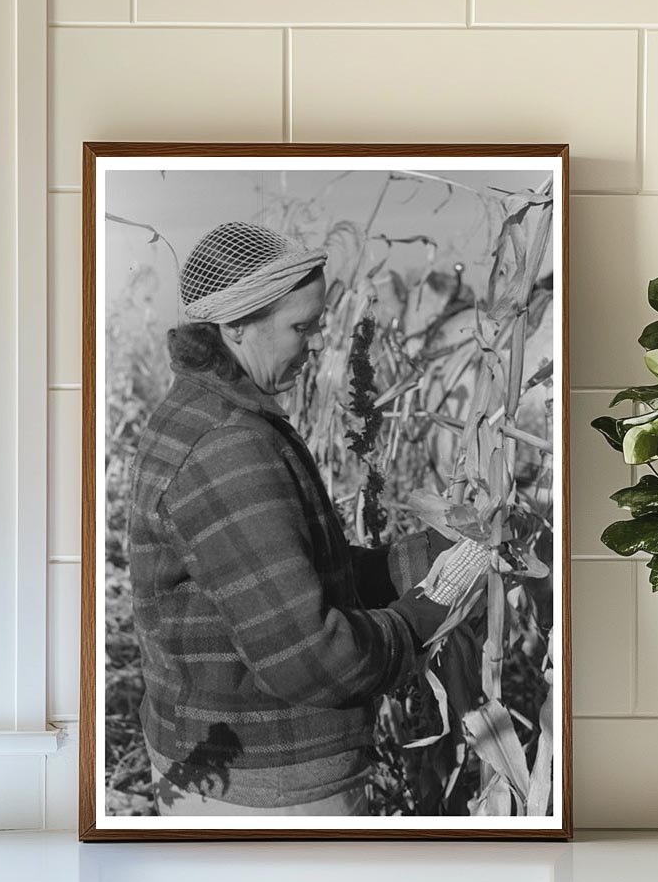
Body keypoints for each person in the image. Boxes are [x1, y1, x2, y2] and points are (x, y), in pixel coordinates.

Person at [128, 221, 452, 816]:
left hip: (228, 775)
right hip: (268, 794)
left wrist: (430, 556)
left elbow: (286, 578)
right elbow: (307, 658)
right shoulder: (229, 447)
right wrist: (420, 617)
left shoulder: (205, 414)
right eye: (302, 327)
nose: (318, 344)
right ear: (234, 326)